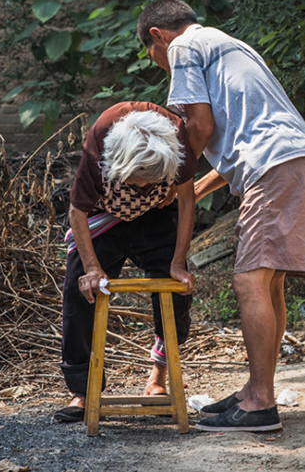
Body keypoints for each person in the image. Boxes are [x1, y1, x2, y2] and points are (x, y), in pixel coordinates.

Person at [137, 0, 305, 432]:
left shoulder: (184, 47)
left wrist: (175, 177)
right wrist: (199, 187)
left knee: (248, 280)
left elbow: (199, 127)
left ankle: (260, 404)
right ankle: (254, 391)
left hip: (275, 165)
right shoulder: (230, 45)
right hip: (302, 160)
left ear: (157, 37)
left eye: (154, 58)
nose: (161, 65)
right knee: (269, 281)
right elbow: (239, 135)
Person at [53, 101, 198, 423]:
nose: (142, 188)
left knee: (176, 293)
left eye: (149, 182)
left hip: (157, 215)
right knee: (80, 292)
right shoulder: (100, 145)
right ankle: (83, 391)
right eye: (137, 181)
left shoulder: (178, 139)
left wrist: (177, 263)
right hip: (103, 216)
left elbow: (187, 201)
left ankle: (157, 379)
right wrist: (92, 268)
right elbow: (77, 213)